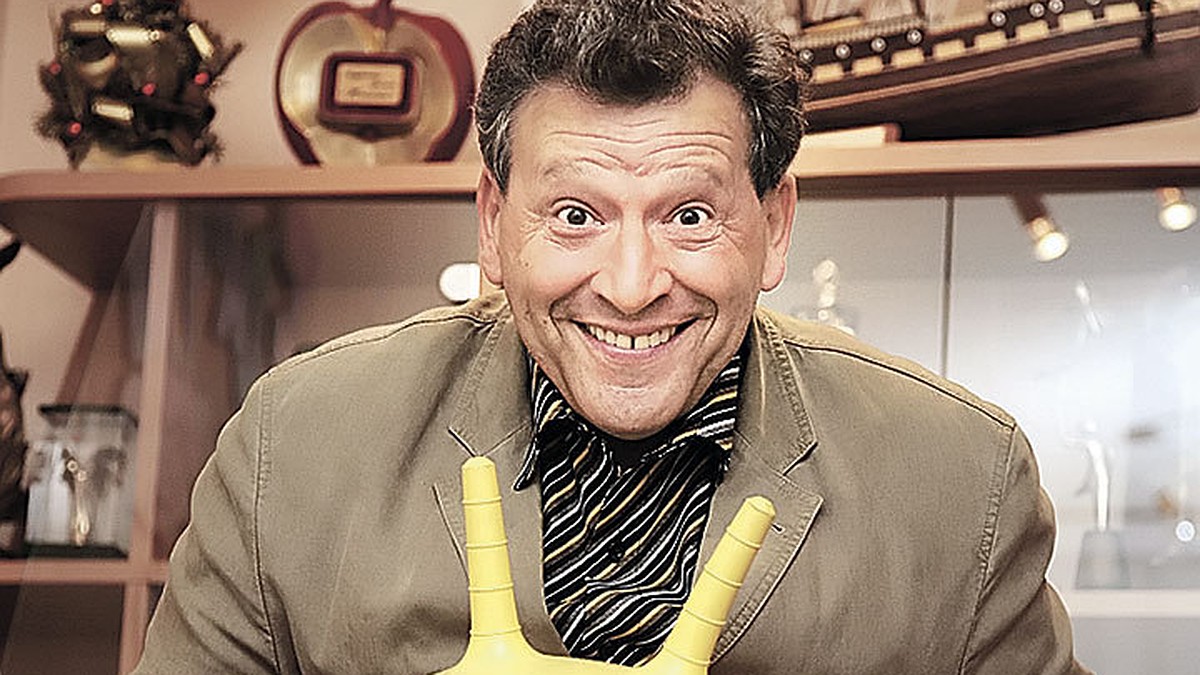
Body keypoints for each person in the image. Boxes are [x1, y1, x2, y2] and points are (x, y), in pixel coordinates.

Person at [135, 0, 1090, 672]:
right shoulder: (291, 446)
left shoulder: (965, 482)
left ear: (774, 225)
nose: (632, 289)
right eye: (576, 215)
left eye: (689, 215)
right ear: (494, 224)